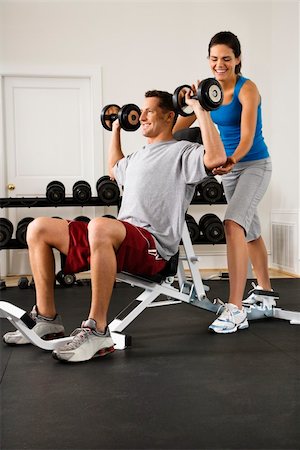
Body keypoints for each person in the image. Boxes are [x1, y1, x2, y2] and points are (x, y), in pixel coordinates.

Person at [3, 89, 226, 362]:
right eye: (140, 112)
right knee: (38, 227)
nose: (141, 116)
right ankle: (47, 318)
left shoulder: (184, 152)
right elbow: (113, 168)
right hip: (119, 237)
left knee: (100, 225)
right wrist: (117, 127)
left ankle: (97, 331)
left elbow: (215, 159)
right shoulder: (138, 156)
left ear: (170, 117)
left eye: (149, 111)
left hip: (152, 245)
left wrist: (200, 108)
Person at [173, 31, 278, 334]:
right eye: (215, 59)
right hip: (228, 169)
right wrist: (189, 104)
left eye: (226, 59)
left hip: (254, 164)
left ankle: (235, 308)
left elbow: (247, 137)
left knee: (233, 223)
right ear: (209, 60)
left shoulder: (248, 89)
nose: (220, 64)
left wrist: (233, 159)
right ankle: (266, 292)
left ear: (238, 59)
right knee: (250, 231)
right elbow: (180, 128)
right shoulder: (210, 90)